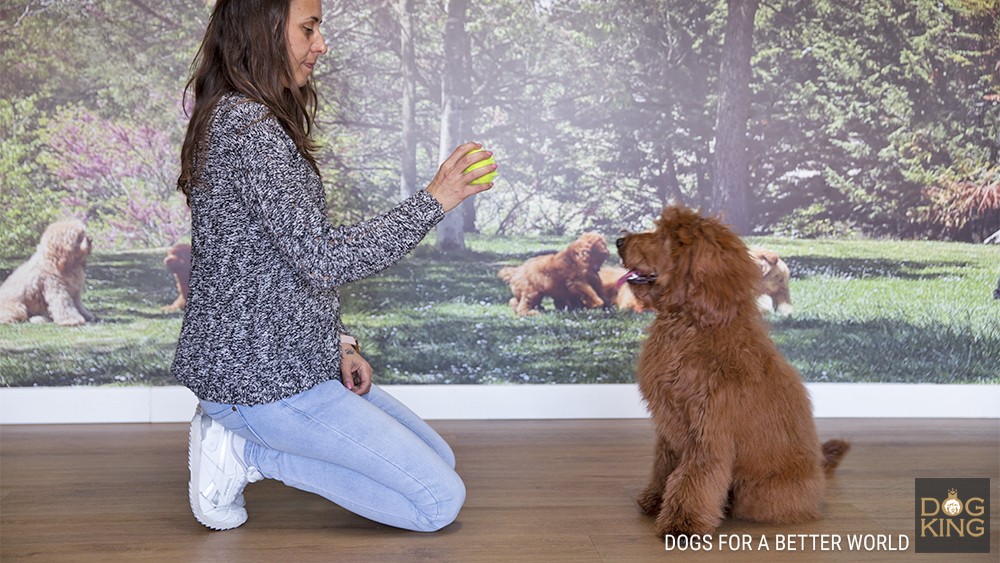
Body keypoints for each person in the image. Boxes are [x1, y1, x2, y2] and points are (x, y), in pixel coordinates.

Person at [172, 0, 497, 532]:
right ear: (265, 30)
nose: (320, 44)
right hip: (259, 384)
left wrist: (339, 344)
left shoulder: (247, 119)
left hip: (292, 365)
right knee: (437, 503)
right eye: (309, 28)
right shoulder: (248, 128)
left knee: (440, 460)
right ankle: (246, 453)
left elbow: (279, 260)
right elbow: (323, 259)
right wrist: (435, 200)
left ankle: (252, 438)